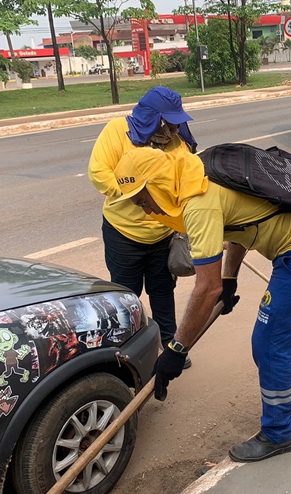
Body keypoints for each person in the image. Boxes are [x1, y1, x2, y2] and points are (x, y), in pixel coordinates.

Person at [110, 147, 291, 463]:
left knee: (270, 342)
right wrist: (230, 277)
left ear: (157, 183)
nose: (145, 211)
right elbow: (238, 224)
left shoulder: (197, 204)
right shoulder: (193, 170)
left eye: (142, 201)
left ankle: (278, 434)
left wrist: (177, 350)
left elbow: (206, 289)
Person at [88, 87, 198, 364]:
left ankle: (170, 344)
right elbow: (99, 171)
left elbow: (187, 177)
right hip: (123, 233)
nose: (174, 129)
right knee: (126, 295)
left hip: (162, 233)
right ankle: (126, 349)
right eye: (169, 122)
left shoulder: (177, 142)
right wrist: (133, 194)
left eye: (176, 123)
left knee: (163, 291)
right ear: (153, 118)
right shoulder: (117, 131)